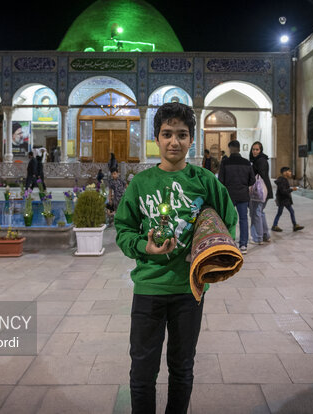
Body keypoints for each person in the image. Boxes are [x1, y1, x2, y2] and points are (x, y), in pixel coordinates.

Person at [115, 102, 237, 414]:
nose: (174, 141)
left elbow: (229, 221)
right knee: (142, 371)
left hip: (188, 291)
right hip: (148, 290)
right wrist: (145, 247)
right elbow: (123, 230)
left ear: (191, 140)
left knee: (182, 368)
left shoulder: (205, 180)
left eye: (182, 135)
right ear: (156, 137)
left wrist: (208, 254)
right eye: (167, 134)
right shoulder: (141, 184)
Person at [218, 140, 255, 254]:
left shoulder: (225, 162)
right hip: (243, 195)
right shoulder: (246, 162)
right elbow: (252, 180)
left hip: (229, 195)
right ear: (239, 149)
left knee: (228, 219)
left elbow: (220, 180)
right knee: (243, 219)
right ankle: (243, 245)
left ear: (230, 148)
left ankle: (228, 242)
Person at [249, 141, 273, 244]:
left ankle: (258, 238)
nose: (255, 151)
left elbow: (261, 175)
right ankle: (265, 235)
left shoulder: (260, 161)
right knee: (260, 213)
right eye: (253, 149)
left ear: (260, 150)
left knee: (256, 214)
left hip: (259, 191)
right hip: (265, 190)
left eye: (257, 149)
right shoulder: (260, 160)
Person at [272, 167, 305, 232]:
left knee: (289, 211)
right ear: (284, 173)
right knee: (281, 212)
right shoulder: (282, 180)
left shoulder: (283, 179)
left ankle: (294, 225)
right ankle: (275, 226)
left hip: (284, 199)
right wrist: (292, 189)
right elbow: (283, 191)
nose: (290, 173)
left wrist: (291, 189)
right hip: (283, 199)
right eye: (289, 171)